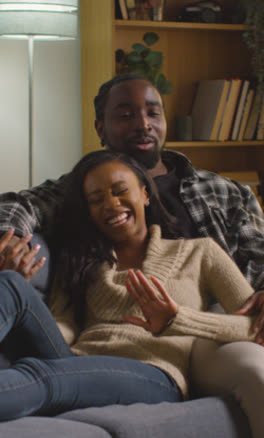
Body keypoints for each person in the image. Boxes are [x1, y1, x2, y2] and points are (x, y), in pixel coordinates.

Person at [0, 149, 264, 438]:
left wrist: (176, 320)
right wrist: (32, 297)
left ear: (145, 194)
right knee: (12, 284)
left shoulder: (201, 252)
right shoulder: (81, 259)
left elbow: (253, 327)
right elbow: (66, 325)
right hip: (79, 364)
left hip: (151, 374)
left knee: (42, 376)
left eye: (120, 191)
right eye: (96, 199)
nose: (111, 204)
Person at [0, 74, 264, 332]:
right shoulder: (82, 187)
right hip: (123, 332)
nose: (143, 124)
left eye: (153, 113)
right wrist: (9, 238)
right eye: (126, 116)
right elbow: (18, 204)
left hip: (221, 323)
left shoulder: (225, 192)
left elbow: (259, 257)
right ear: (100, 128)